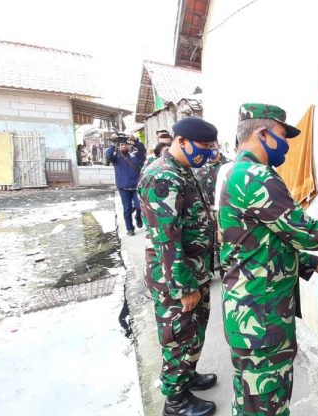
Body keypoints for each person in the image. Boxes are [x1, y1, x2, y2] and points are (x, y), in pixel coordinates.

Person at [219, 103, 318, 415]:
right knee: (266, 404)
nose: (288, 143)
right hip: (261, 318)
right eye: (284, 135)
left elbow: (268, 239)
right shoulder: (257, 177)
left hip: (250, 311)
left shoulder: (240, 172)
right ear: (264, 134)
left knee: (250, 400)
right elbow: (304, 231)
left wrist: (310, 263)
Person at [138, 117, 220, 416]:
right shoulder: (163, 177)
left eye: (212, 147)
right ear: (181, 141)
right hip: (175, 276)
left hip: (194, 269)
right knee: (178, 337)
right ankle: (175, 401)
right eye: (204, 147)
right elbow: (166, 240)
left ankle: (187, 376)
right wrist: (184, 288)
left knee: (193, 332)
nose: (209, 153)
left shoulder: (183, 170)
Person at [194, 141, 229, 276]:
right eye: (207, 146)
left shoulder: (228, 165)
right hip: (206, 211)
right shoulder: (199, 166)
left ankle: (225, 269)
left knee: (223, 241)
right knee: (208, 242)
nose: (211, 149)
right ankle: (210, 267)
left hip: (223, 210)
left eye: (213, 146)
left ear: (218, 146)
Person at [105, 135, 146, 235]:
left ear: (129, 147)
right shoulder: (116, 158)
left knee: (139, 207)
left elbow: (142, 151)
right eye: (121, 145)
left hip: (136, 187)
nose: (123, 146)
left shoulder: (136, 156)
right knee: (127, 209)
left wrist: (136, 141)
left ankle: (138, 217)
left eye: (125, 145)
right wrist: (113, 144)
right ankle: (130, 229)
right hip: (123, 188)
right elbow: (108, 156)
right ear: (119, 147)